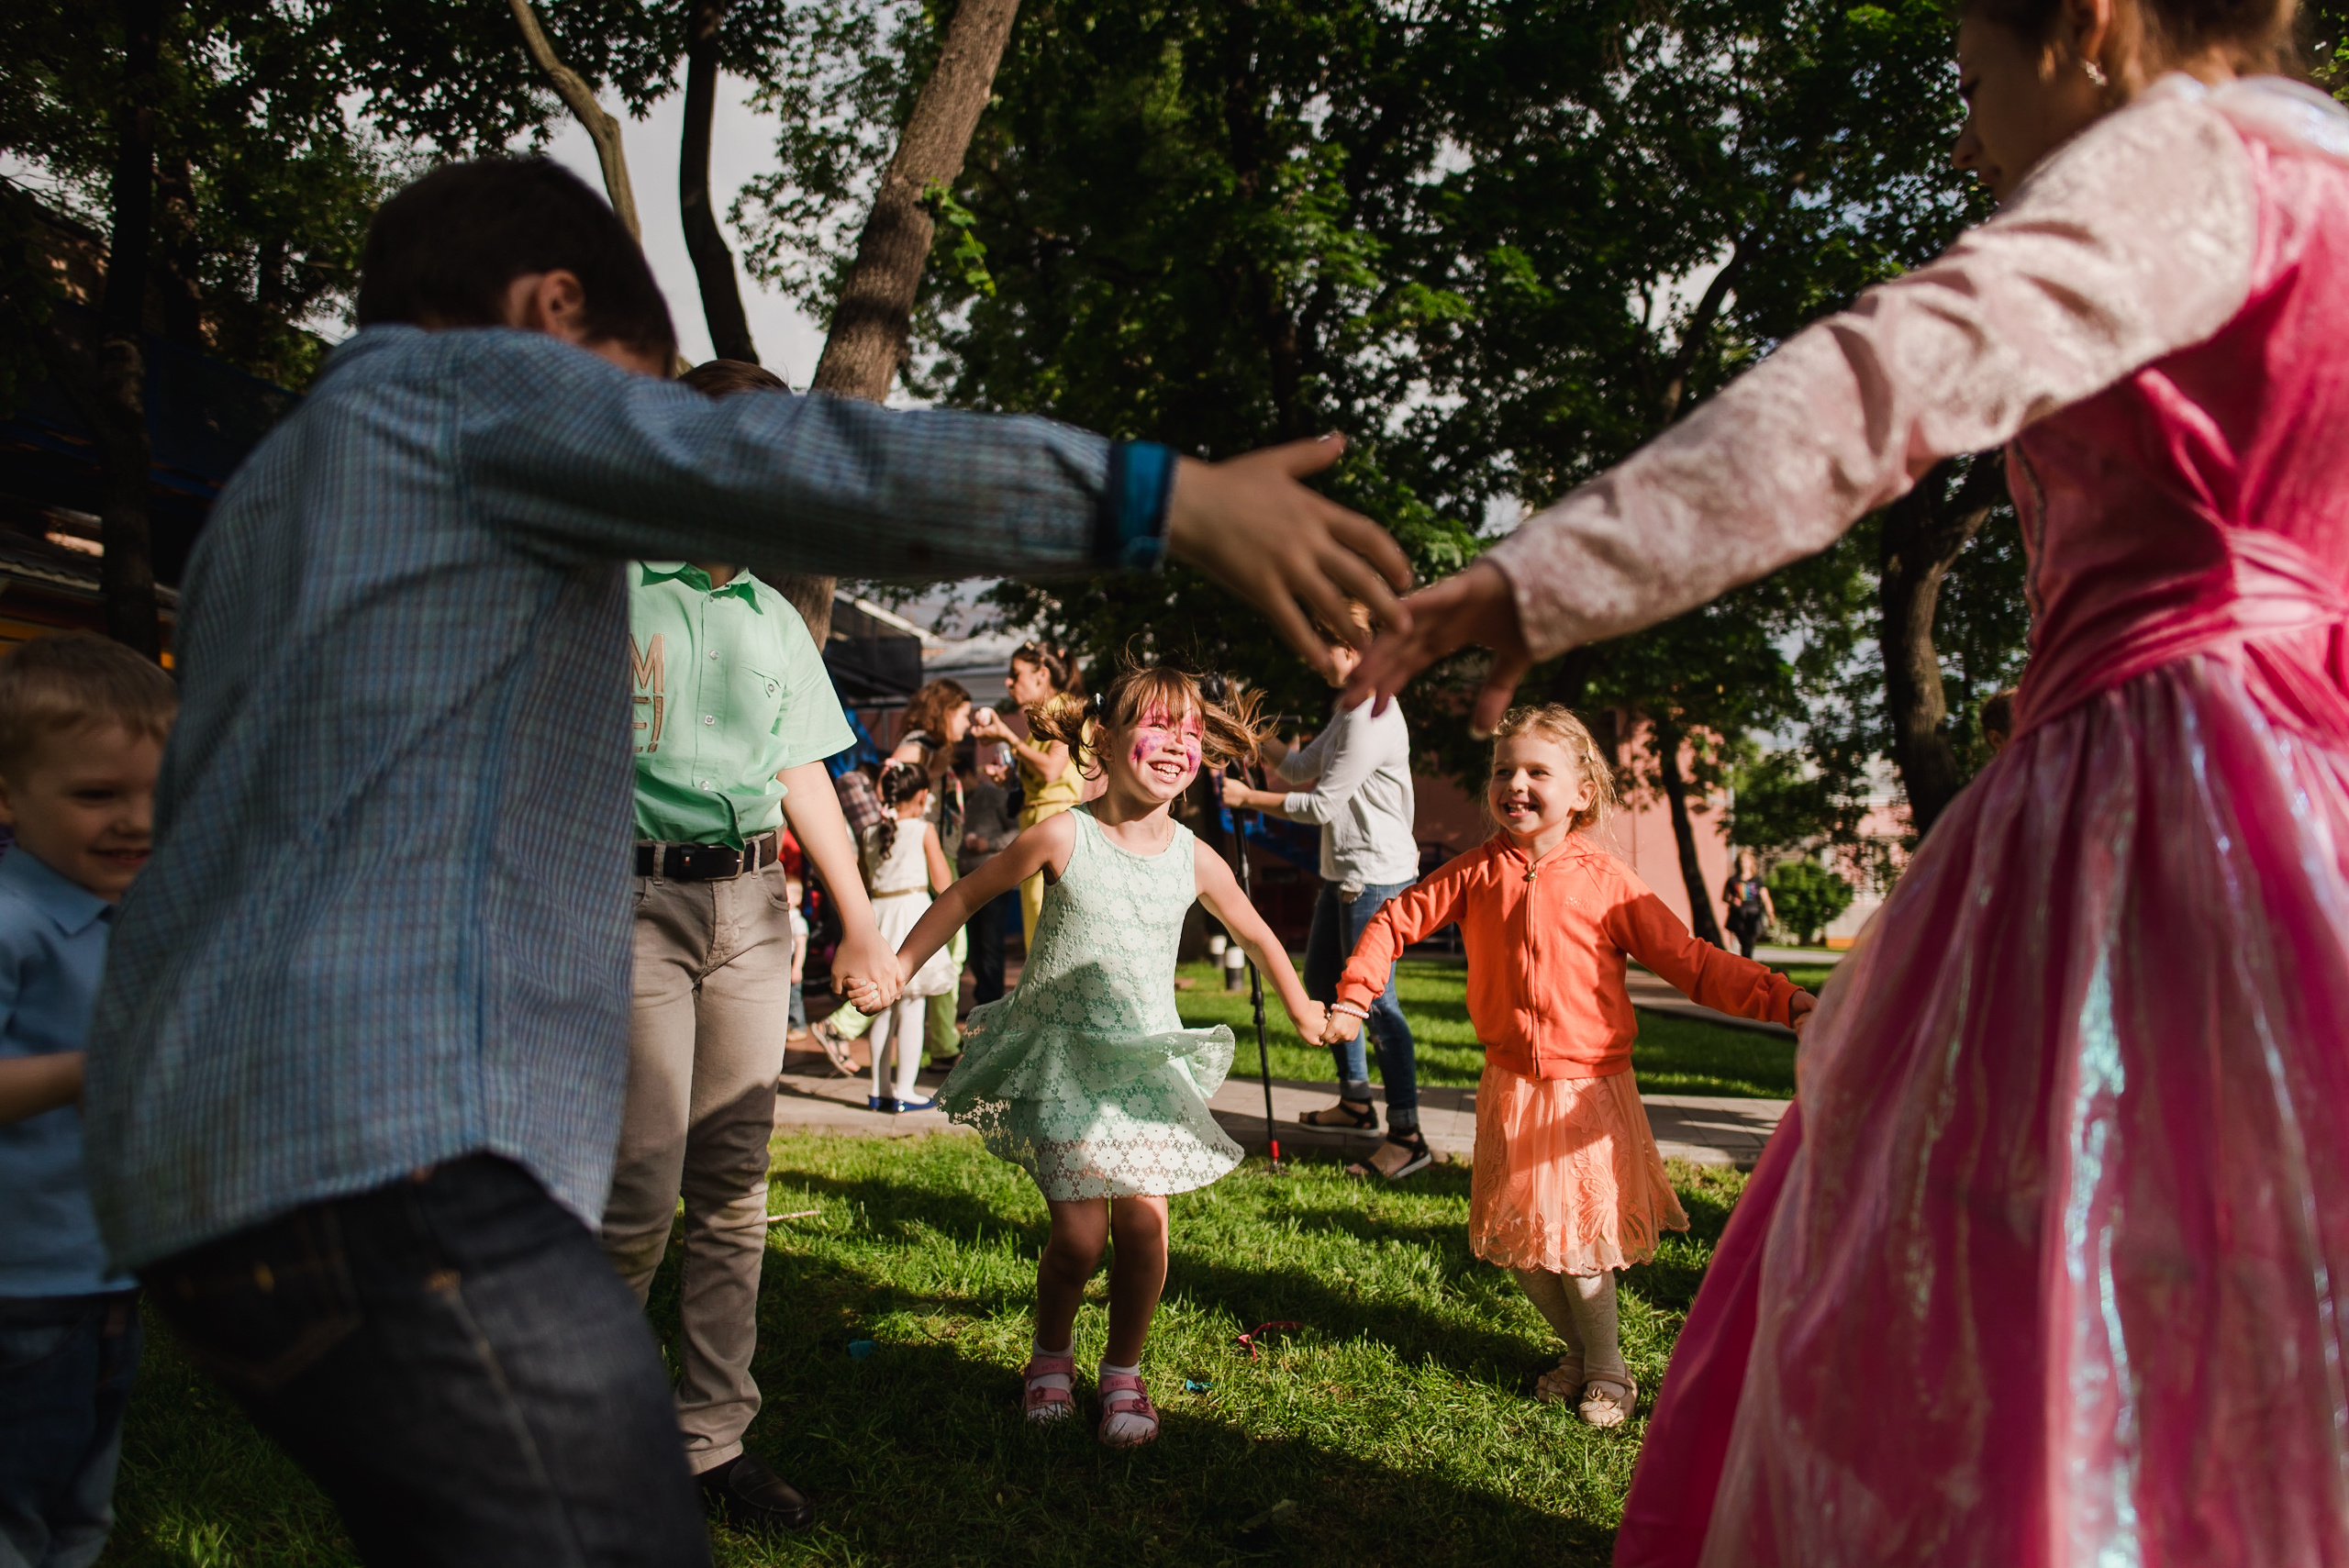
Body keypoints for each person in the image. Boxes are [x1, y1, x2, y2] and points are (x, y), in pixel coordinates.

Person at [79, 157, 1412, 1566]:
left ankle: (688, 1436)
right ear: (552, 308)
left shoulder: (284, 483)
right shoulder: (473, 396)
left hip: (211, 1141)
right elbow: (806, 465)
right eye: (640, 392)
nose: (645, 441)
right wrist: (1169, 499)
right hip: (374, 1147)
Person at [1347, 2, 2349, 1557]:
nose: (1965, 139)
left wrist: (1546, 575)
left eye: (1973, 81)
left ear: (2090, 26)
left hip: (2164, 789)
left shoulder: (2178, 162)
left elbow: (1879, 383)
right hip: (2308, 782)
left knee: (2034, 1231)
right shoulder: (2328, 174)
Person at [1322, 705, 1812, 1426]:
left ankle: (1610, 1369)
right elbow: (1395, 920)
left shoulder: (1609, 880)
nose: (1514, 784)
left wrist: (1786, 1000)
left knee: (1580, 1245)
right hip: (1509, 1085)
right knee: (1521, 1247)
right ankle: (1583, 1355)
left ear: (1582, 791)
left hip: (1586, 1091)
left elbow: (1694, 963)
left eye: (1536, 771)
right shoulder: (1476, 871)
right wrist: (1356, 994)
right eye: (1503, 771)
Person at [896, 665, 1326, 1447]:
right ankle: (1049, 1356)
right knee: (1079, 1239)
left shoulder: (1193, 856)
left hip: (1142, 1071)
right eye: (1157, 724)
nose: (1177, 742)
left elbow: (1259, 934)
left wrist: (1302, 1007)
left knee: (1146, 1231)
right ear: (1106, 737)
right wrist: (898, 966)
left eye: (1190, 730)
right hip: (1065, 1062)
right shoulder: (1065, 833)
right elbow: (964, 895)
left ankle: (1122, 1371)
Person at [595, 358, 879, 1531]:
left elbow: (801, 770)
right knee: (635, 1189)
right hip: (629, 901)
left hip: (755, 911)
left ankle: (709, 1438)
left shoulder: (774, 616)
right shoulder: (604, 583)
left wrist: (860, 918)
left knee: (732, 1186)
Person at [0, 633, 174, 1568]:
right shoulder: (14, 922)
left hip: (100, 1274)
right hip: (19, 1283)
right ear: (8, 796)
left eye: (156, 792)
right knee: (15, 1509)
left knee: (82, 1508)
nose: (134, 821)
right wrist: (92, 1067)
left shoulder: (124, 915)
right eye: (97, 794)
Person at [1218, 600, 1428, 1178]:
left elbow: (1320, 806)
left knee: (1375, 1003)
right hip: (1345, 874)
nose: (1314, 658)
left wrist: (1248, 799)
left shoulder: (1372, 717)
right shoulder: (1350, 706)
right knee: (1322, 983)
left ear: (1353, 649)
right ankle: (1357, 1102)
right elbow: (1296, 768)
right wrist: (1250, 732)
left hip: (1376, 876)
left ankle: (1407, 1135)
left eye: (1322, 646)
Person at [813, 681, 974, 1073]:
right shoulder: (918, 748)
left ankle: (943, 1044)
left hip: (933, 856)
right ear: (945, 711)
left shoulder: (930, 749)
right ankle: (842, 1025)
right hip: (924, 862)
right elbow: (893, 785)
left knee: (943, 956)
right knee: (935, 953)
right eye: (963, 715)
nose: (968, 724)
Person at [858, 762, 960, 1112]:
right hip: (912, 915)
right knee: (914, 1006)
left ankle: (879, 1090)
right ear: (921, 796)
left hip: (879, 918)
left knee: (883, 1009)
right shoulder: (923, 830)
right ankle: (905, 1090)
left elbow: (863, 879)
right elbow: (943, 883)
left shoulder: (870, 833)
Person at [970, 642, 1085, 950]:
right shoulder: (1044, 717)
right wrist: (1011, 780)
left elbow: (1051, 771)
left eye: (1015, 674)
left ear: (1041, 674)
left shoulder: (1064, 709)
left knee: (1047, 921)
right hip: (1039, 822)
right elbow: (1041, 778)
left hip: (1054, 824)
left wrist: (1007, 737)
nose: (1008, 682)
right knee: (1038, 917)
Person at [957, 748, 1019, 1006]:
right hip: (964, 881)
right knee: (974, 946)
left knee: (991, 942)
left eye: (958, 780)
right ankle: (983, 1001)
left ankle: (993, 1003)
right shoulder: (954, 801)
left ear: (968, 775)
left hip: (993, 882)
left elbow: (1017, 831)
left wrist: (988, 843)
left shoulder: (993, 795)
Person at [1718, 849, 1774, 960]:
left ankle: (1746, 962)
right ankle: (1746, 962)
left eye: (1746, 861)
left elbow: (1766, 898)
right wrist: (1732, 901)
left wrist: (1770, 914)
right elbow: (1724, 897)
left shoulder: (1757, 880)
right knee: (1745, 940)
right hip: (1738, 915)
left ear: (1751, 863)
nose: (1744, 864)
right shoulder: (1732, 880)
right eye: (1741, 861)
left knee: (1750, 942)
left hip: (1753, 914)